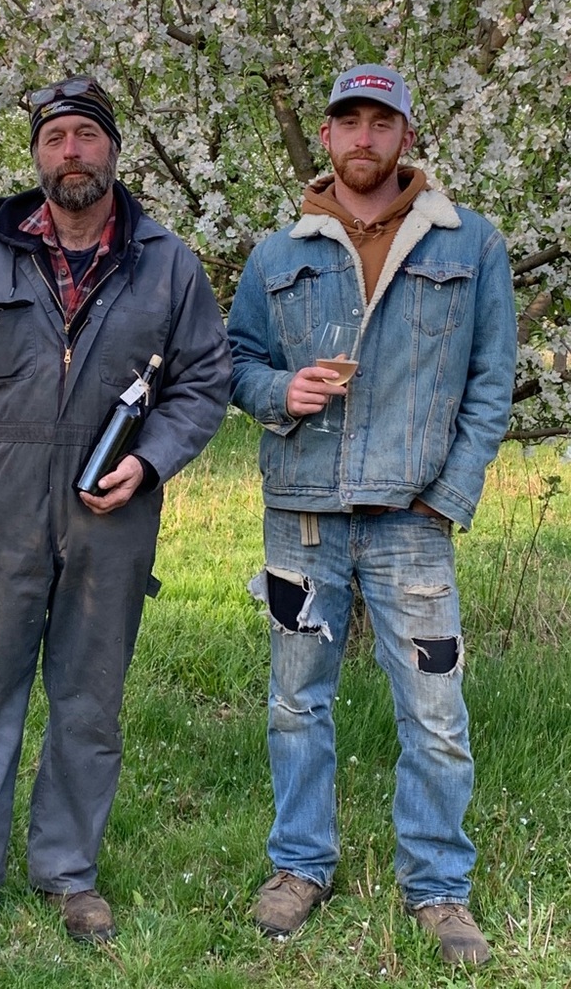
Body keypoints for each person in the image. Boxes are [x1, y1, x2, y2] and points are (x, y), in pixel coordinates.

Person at [0, 75, 230, 952]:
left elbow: (205, 380)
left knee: (89, 699)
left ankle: (68, 872)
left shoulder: (167, 262)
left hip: (111, 509)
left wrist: (150, 460)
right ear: (37, 158)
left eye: (87, 136)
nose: (72, 153)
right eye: (55, 139)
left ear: (113, 151)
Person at [229, 63, 516, 965]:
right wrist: (280, 390)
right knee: (295, 703)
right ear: (326, 136)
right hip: (303, 517)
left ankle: (438, 886)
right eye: (348, 120)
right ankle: (299, 866)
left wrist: (448, 497)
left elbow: (491, 382)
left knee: (435, 710)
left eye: (380, 122)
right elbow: (235, 361)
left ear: (406, 135)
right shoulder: (278, 254)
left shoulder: (470, 244)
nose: (364, 136)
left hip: (412, 520)